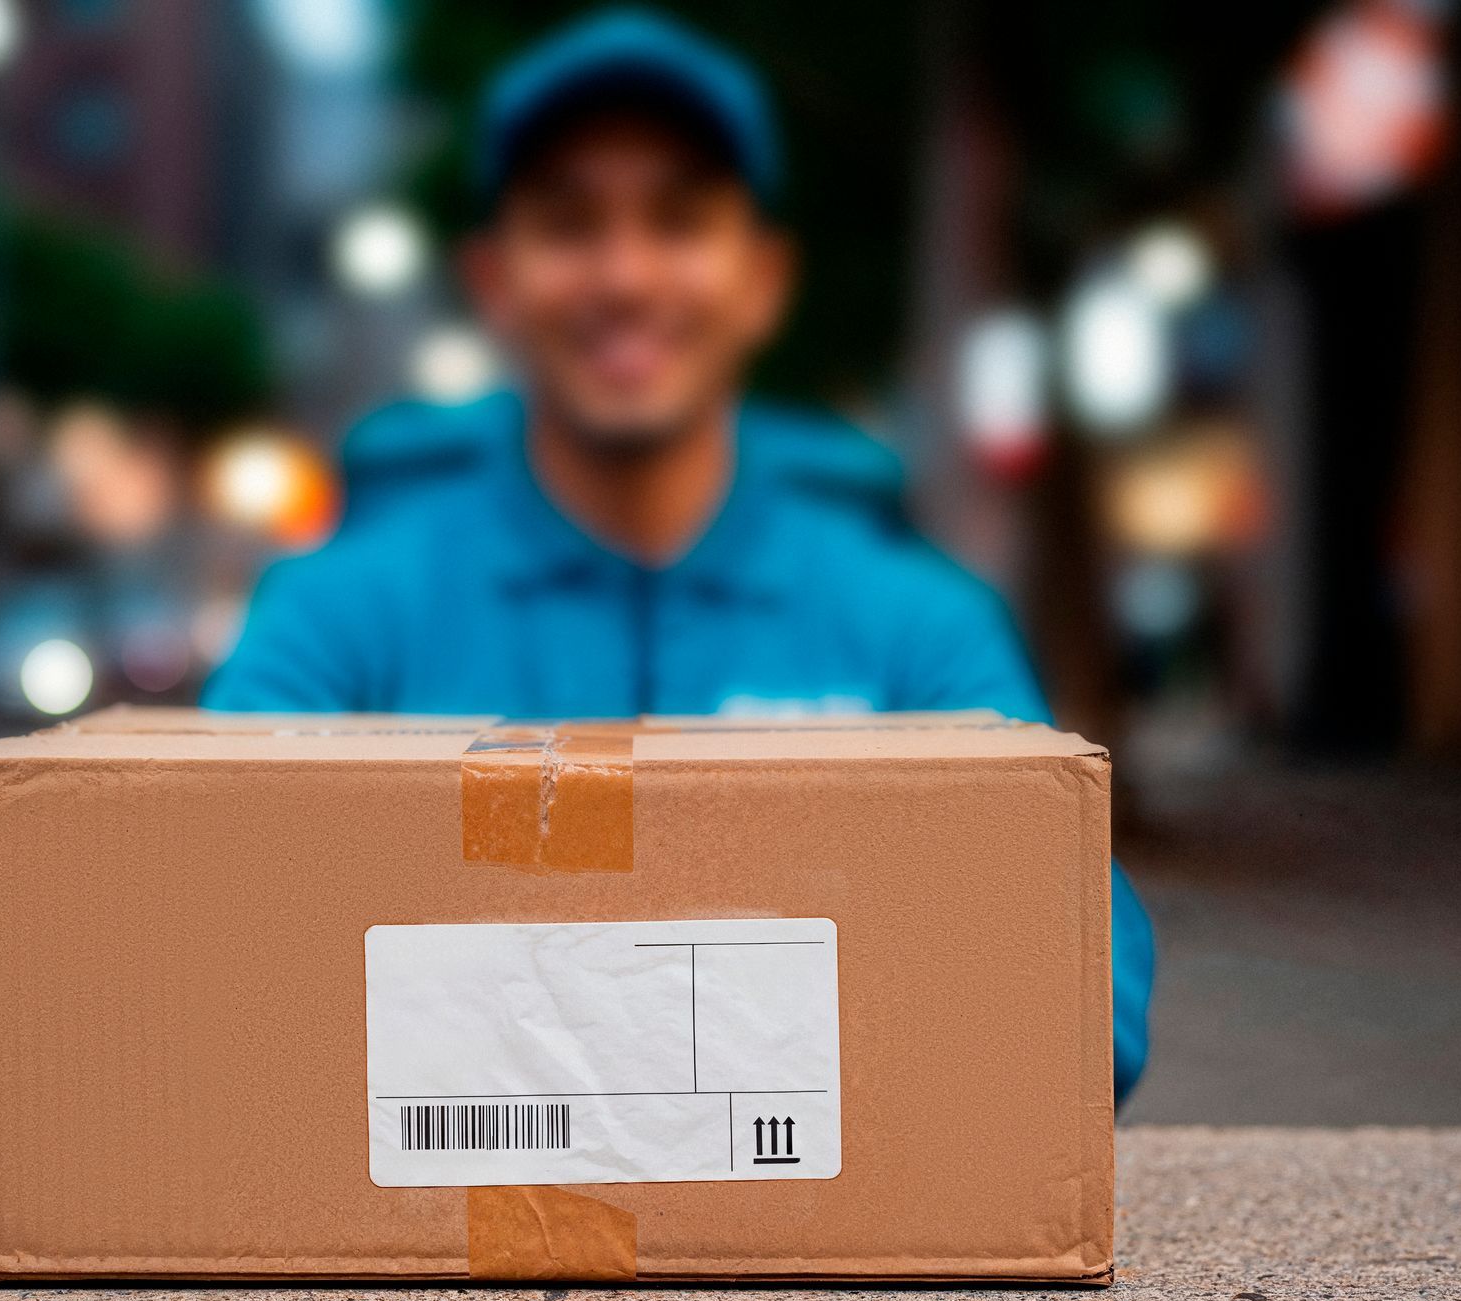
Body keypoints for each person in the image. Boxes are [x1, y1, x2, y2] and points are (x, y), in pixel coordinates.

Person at [204, 9, 1153, 1101]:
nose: (626, 276)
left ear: (762, 278)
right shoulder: (339, 615)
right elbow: (208, 951)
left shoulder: (917, 626)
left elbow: (1088, 998)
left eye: (680, 219)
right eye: (568, 223)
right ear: (494, 279)